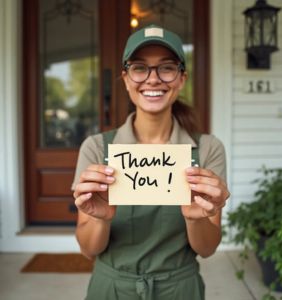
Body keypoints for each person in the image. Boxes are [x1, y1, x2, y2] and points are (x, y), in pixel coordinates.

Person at [72, 24, 230, 300]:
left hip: (180, 288)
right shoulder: (96, 148)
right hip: (111, 288)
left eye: (166, 67)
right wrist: (101, 220)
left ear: (182, 79)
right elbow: (88, 249)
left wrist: (195, 220)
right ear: (125, 78)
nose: (153, 79)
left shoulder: (207, 149)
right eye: (140, 67)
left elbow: (207, 249)